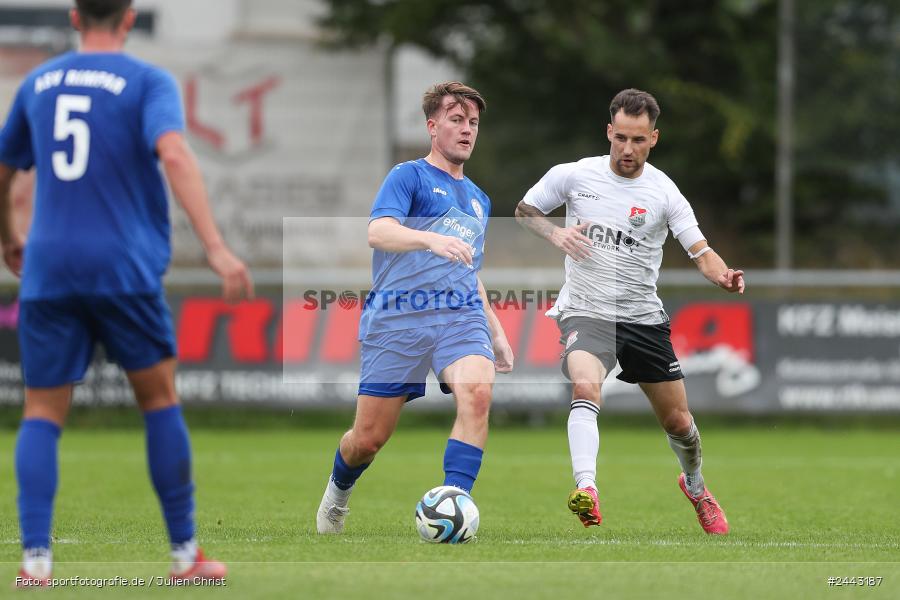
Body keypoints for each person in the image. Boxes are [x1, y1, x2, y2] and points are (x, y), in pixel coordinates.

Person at [0, 0, 253, 586]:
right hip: (123, 268)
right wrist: (214, 245)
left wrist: (10, 235)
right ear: (129, 17)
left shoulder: (39, 82)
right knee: (159, 399)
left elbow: (5, 167)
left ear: (72, 16)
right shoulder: (146, 81)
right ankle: (185, 555)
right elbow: (173, 152)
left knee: (41, 410)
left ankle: (36, 562)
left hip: (50, 268)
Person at [515, 88, 743, 535]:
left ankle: (696, 486)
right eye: (620, 137)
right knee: (585, 384)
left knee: (679, 423)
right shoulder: (575, 175)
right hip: (586, 310)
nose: (627, 149)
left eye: (638, 140)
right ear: (608, 132)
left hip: (642, 319)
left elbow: (700, 250)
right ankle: (587, 489)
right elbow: (525, 210)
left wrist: (723, 274)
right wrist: (554, 235)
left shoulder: (664, 192)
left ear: (653, 138)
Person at [316, 82, 514, 535]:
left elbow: (469, 270)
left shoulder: (479, 199)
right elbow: (379, 232)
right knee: (367, 440)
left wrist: (496, 330)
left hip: (458, 318)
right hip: (398, 319)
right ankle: (338, 493)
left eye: (474, 123)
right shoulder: (409, 177)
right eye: (457, 120)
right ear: (432, 126)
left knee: (478, 395)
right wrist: (429, 238)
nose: (467, 130)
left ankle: (454, 503)